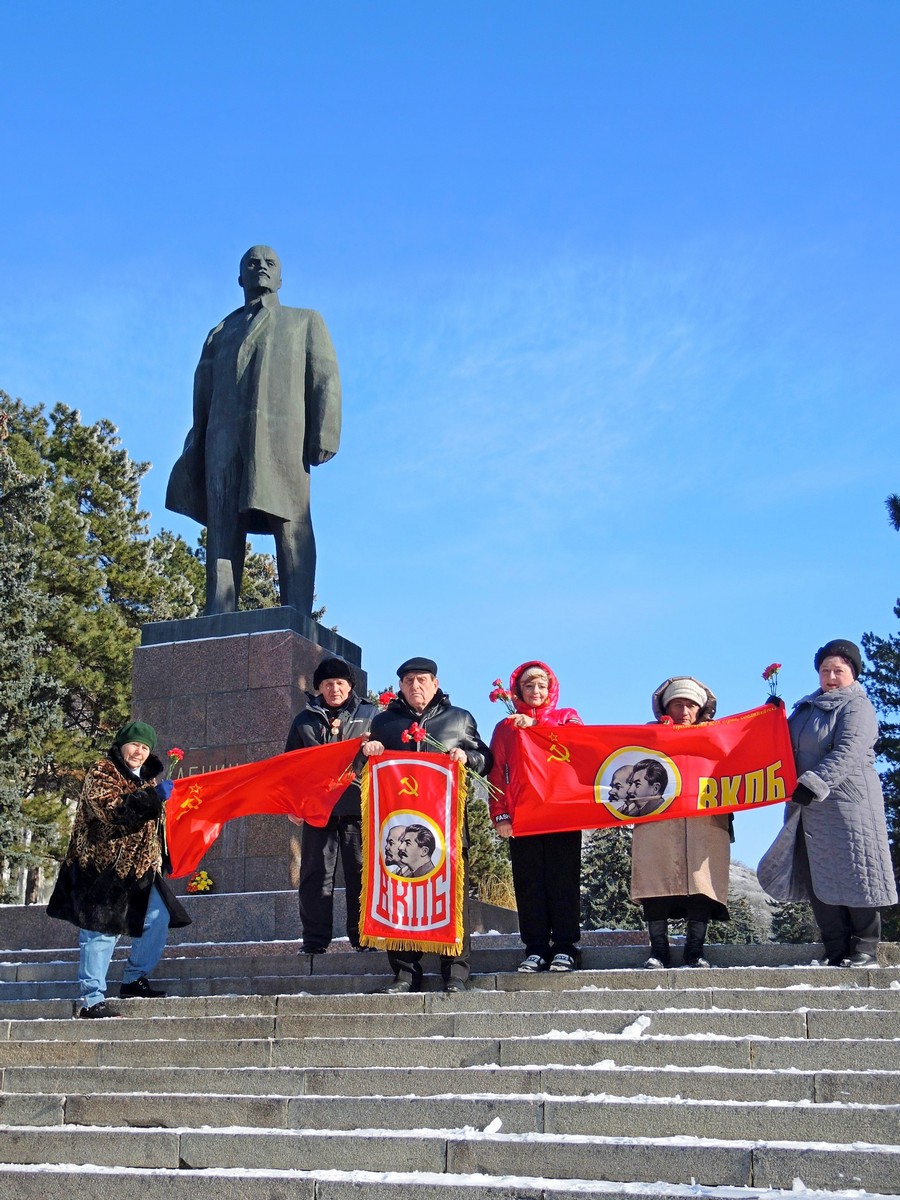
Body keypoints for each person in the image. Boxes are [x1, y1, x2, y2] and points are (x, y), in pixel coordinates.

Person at [166, 245, 341, 615]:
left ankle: (296, 611)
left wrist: (326, 431)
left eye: (269, 263)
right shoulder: (220, 332)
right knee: (222, 527)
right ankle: (219, 611)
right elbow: (202, 391)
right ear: (240, 277)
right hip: (222, 442)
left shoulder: (304, 321)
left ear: (280, 278)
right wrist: (198, 444)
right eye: (252, 263)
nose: (261, 267)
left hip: (282, 441)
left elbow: (324, 377)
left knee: (291, 520)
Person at [758, 639, 897, 967]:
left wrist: (814, 783)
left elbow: (848, 750)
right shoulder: (806, 708)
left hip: (849, 806)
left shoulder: (857, 706)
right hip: (808, 807)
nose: (831, 677)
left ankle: (865, 947)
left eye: (838, 670)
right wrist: (771, 718)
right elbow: (781, 746)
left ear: (853, 673)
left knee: (856, 872)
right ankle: (835, 948)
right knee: (817, 876)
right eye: (825, 670)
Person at [362, 656, 492, 993]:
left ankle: (456, 972)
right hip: (399, 829)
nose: (415, 686)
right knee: (400, 897)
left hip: (446, 831)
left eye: (422, 679)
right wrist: (368, 750)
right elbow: (363, 769)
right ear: (400, 687)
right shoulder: (385, 723)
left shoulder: (459, 719)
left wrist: (467, 757)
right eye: (408, 681)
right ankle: (405, 972)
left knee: (451, 900)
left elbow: (486, 759)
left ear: (436, 683)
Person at [47, 721, 191, 1018]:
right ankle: (91, 999)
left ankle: (134, 979)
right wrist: (153, 798)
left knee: (158, 918)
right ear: (122, 745)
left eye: (145, 747)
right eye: (134, 744)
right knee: (100, 930)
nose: (139, 752)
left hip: (140, 871)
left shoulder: (147, 781)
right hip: (102, 868)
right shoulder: (103, 771)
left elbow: (153, 825)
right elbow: (111, 810)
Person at [488, 661, 584, 973]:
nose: (536, 691)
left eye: (542, 685)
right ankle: (536, 948)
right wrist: (501, 814)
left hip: (562, 814)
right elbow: (496, 773)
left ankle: (566, 947)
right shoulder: (506, 727)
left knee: (563, 881)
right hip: (524, 816)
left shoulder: (567, 717)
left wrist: (538, 726)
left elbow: (580, 743)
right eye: (528, 686)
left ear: (551, 688)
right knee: (529, 884)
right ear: (518, 691)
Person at [630, 677, 730, 969]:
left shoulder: (718, 736)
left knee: (701, 883)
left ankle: (695, 950)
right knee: (655, 882)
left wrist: (769, 716)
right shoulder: (646, 738)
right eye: (677, 704)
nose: (684, 711)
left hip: (705, 821)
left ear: (701, 709)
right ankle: (658, 950)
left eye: (690, 705)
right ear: (665, 707)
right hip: (657, 820)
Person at [285, 657, 376, 953]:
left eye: (339, 683)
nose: (334, 689)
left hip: (357, 808)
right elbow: (290, 766)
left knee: (360, 874)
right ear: (319, 688)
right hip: (318, 809)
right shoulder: (304, 720)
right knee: (315, 877)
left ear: (350, 686)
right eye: (327, 684)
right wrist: (294, 803)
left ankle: (364, 937)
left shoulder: (371, 715)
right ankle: (314, 941)